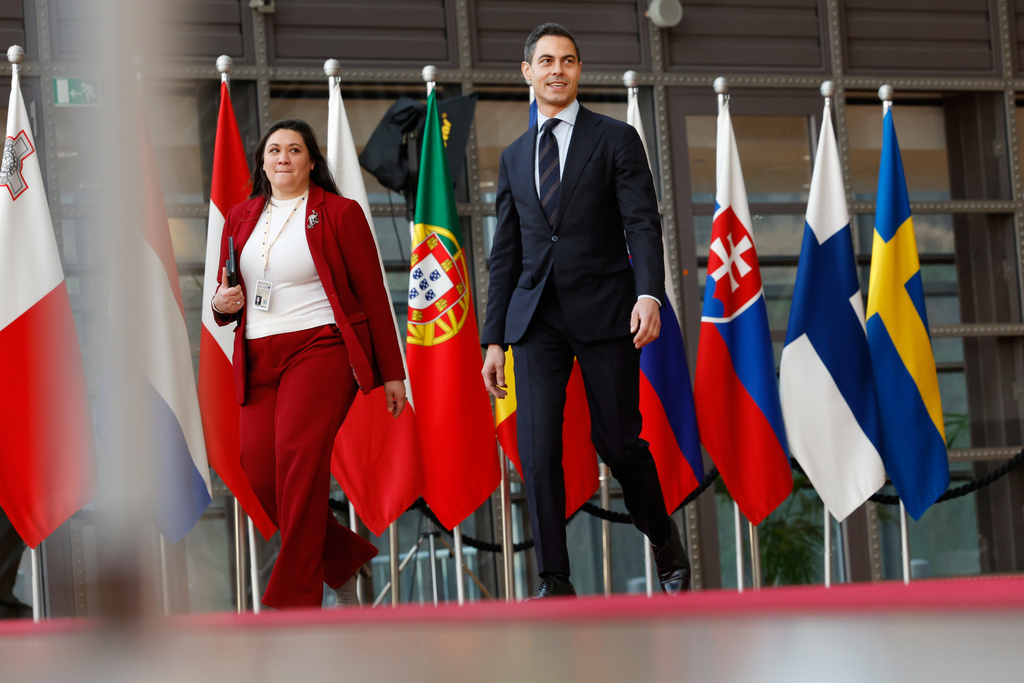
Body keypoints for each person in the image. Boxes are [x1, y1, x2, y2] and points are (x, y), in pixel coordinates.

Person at [481, 23, 690, 599]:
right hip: (537, 321)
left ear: (578, 71)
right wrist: (493, 338)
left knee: (618, 442)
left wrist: (649, 293)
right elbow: (507, 252)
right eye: (545, 61)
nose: (557, 70)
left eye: (567, 61)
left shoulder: (615, 139)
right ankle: (555, 578)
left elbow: (642, 224)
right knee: (539, 447)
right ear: (527, 72)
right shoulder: (515, 156)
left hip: (606, 311)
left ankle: (663, 536)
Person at [211, 119, 406, 609]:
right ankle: (342, 559)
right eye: (273, 150)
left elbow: (374, 297)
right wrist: (220, 304)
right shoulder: (239, 216)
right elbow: (224, 293)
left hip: (320, 347)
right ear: (262, 162)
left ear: (311, 161)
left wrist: (392, 371)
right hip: (258, 353)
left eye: (294, 150)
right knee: (258, 469)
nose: (283, 158)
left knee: (299, 463)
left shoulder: (338, 213)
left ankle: (291, 604)